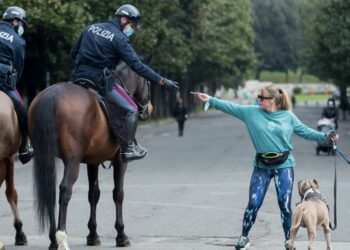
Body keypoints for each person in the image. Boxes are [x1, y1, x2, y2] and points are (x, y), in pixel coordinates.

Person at [194, 84, 339, 250]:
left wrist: (326, 137)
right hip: (262, 165)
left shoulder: (288, 116)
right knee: (254, 203)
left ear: (272, 101)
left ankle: (287, 240)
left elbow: (305, 131)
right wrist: (211, 100)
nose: (258, 100)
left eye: (261, 97)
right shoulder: (251, 113)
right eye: (258, 97)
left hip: (284, 165)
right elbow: (231, 107)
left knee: (284, 205)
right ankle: (244, 237)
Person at [70, 4, 179, 162]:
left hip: (78, 77)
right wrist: (161, 81)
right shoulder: (120, 39)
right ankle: (127, 149)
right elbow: (137, 66)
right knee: (131, 109)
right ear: (123, 20)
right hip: (99, 81)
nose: (132, 30)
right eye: (132, 25)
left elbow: (73, 53)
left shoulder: (90, 28)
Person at [0, 6, 33, 164]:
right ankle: (25, 147)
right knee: (22, 111)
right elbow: (18, 68)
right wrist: (13, 83)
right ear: (15, 21)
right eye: (21, 24)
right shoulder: (18, 41)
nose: (21, 28)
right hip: (4, 82)